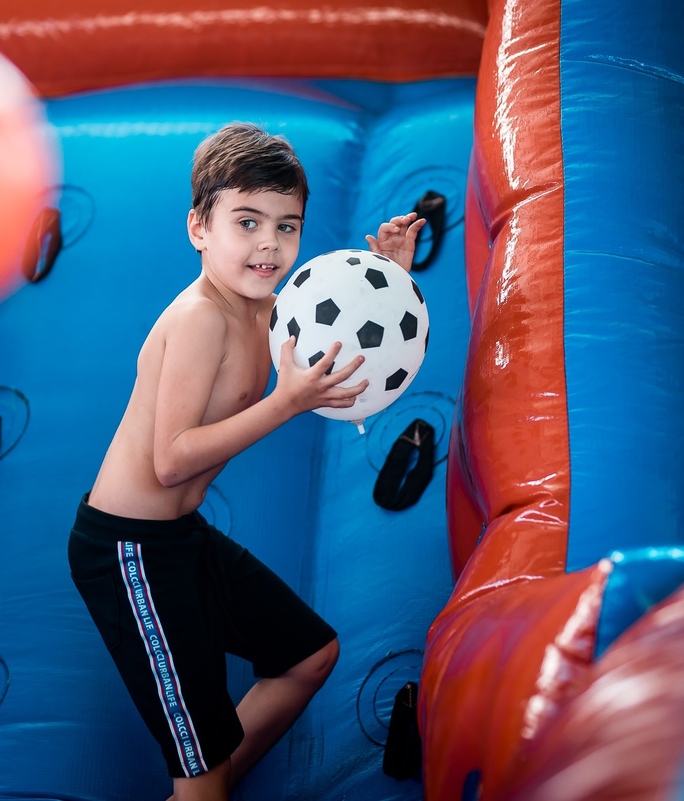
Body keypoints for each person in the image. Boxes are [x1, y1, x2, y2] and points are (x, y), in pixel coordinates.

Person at [67, 122, 425, 801]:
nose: (269, 244)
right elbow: (170, 461)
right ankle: (202, 787)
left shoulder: (268, 306)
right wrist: (284, 404)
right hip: (128, 552)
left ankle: (206, 785)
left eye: (287, 226)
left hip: (177, 538)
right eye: (248, 221)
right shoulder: (201, 318)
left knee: (307, 655)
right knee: (200, 776)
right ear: (199, 227)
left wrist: (391, 281)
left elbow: (339, 341)